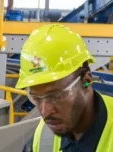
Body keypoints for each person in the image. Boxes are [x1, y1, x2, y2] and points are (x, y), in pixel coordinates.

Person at [20, 24, 113, 152]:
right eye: (36, 98)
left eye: (55, 96)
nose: (45, 112)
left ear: (86, 81)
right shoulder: (44, 136)